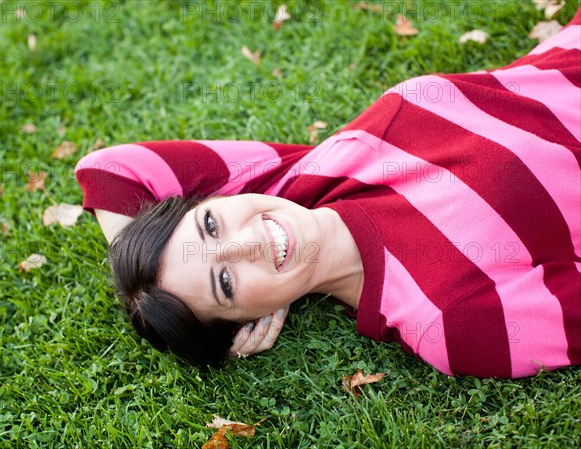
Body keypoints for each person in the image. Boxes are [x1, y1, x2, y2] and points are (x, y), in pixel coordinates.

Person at [75, 10, 581, 378]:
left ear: (211, 201)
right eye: (225, 282)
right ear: (246, 325)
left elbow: (111, 170)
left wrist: (142, 263)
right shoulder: (450, 320)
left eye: (211, 225)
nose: (247, 242)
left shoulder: (304, 178)